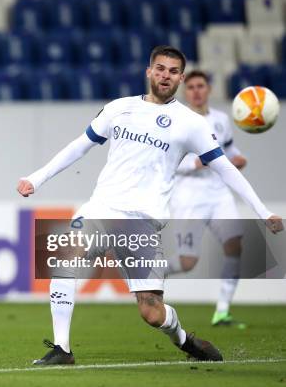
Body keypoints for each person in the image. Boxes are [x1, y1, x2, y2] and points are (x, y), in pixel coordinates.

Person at [17, 45, 283, 365]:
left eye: (173, 71)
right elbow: (79, 147)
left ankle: (184, 339)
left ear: (181, 78)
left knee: (151, 312)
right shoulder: (119, 108)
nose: (165, 75)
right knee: (64, 256)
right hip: (101, 207)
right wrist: (36, 178)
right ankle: (62, 349)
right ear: (149, 71)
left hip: (143, 219)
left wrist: (263, 211)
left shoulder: (191, 124)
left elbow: (225, 169)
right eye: (160, 68)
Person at [168, 70, 248, 328]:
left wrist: (238, 157)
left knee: (235, 245)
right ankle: (149, 272)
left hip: (219, 193)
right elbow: (167, 163)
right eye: (190, 87)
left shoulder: (223, 119)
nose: (196, 91)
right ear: (185, 92)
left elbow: (228, 148)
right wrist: (197, 162)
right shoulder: (176, 121)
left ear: (209, 89)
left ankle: (222, 311)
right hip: (189, 196)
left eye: (200, 85)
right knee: (187, 262)